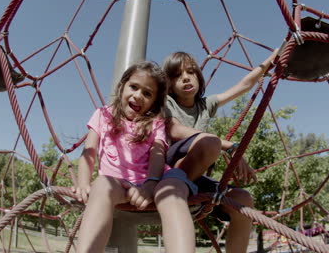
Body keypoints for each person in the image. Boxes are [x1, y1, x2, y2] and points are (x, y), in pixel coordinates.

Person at [160, 49, 279, 252]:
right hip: (171, 174)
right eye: (177, 75)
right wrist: (230, 146)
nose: (186, 78)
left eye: (190, 72)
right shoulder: (167, 103)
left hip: (194, 179)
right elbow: (175, 129)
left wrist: (272, 59)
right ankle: (185, 187)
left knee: (243, 200)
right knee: (209, 143)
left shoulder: (205, 105)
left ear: (199, 76)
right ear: (169, 84)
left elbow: (244, 85)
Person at [72, 61, 196, 253]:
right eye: (134, 87)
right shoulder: (103, 114)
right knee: (101, 185)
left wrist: (150, 184)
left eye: (147, 93)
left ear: (154, 102)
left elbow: (157, 155)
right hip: (119, 184)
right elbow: (89, 152)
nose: (138, 96)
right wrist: (82, 182)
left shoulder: (154, 123)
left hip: (154, 181)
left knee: (173, 191)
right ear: (122, 86)